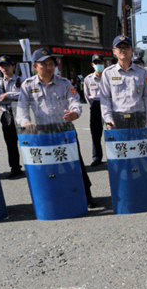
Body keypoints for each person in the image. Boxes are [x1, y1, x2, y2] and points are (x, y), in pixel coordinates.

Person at [15, 48, 96, 208]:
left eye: (51, 63)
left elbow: (74, 101)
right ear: (35, 66)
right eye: (43, 64)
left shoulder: (64, 83)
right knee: (48, 166)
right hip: (42, 133)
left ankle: (86, 195)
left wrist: (75, 112)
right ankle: (53, 196)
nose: (48, 67)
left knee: (75, 164)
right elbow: (21, 109)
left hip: (64, 131)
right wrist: (25, 122)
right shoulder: (28, 85)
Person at [99, 36, 147, 130]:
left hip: (139, 118)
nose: (123, 50)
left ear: (132, 50)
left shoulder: (142, 72)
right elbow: (105, 99)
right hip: (118, 120)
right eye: (120, 47)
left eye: (126, 47)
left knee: (140, 144)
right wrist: (108, 120)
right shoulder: (108, 73)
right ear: (114, 51)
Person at [0, 56, 23, 178]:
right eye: (2, 66)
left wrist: (7, 95)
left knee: (26, 142)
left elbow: (25, 96)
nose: (5, 68)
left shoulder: (21, 80)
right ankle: (15, 168)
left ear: (13, 66)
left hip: (21, 114)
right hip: (6, 115)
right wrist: (12, 98)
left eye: (7, 65)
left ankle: (32, 165)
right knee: (10, 144)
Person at [82, 54, 105, 166]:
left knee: (113, 130)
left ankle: (115, 154)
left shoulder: (109, 76)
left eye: (100, 63)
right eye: (96, 63)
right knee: (95, 133)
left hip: (109, 104)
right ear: (92, 65)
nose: (98, 65)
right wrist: (93, 105)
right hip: (95, 105)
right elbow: (87, 95)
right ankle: (97, 157)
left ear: (104, 64)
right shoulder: (88, 79)